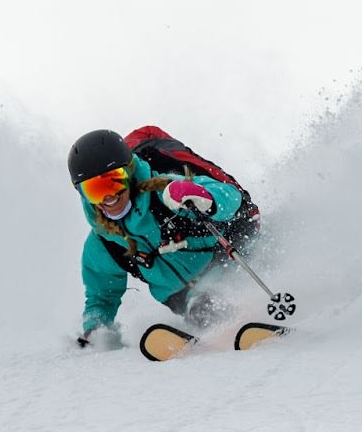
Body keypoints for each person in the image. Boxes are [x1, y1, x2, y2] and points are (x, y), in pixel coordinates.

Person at [68, 129, 248, 348]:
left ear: (130, 173)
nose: (109, 196)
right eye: (95, 189)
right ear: (82, 193)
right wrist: (96, 328)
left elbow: (231, 198)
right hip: (183, 296)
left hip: (224, 262)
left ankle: (254, 312)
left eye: (114, 182)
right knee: (202, 306)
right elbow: (101, 296)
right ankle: (228, 327)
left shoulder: (165, 192)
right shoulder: (104, 243)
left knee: (256, 264)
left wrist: (204, 197)